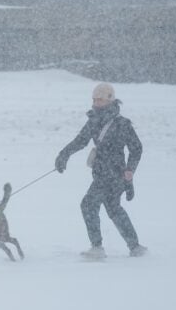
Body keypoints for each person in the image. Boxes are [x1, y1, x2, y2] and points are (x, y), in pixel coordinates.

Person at [54, 83, 147, 259]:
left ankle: (97, 247)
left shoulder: (122, 124)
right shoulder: (94, 120)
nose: (96, 103)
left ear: (110, 100)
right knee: (114, 208)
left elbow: (136, 148)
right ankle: (136, 247)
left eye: (100, 100)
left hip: (114, 173)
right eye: (94, 99)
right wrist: (63, 155)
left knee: (88, 205)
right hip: (101, 172)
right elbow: (81, 141)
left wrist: (130, 169)